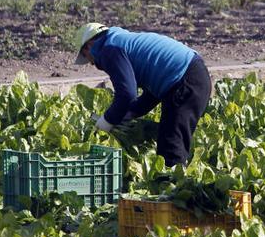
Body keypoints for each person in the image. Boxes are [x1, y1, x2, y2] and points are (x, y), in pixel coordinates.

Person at [73, 23, 211, 166]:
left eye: (85, 56)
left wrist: (107, 121)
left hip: (186, 80)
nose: (90, 63)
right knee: (169, 139)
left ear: (89, 45)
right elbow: (151, 94)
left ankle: (173, 186)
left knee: (171, 147)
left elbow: (127, 94)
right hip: (192, 75)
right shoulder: (120, 40)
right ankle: (175, 182)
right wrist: (125, 116)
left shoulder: (109, 49)